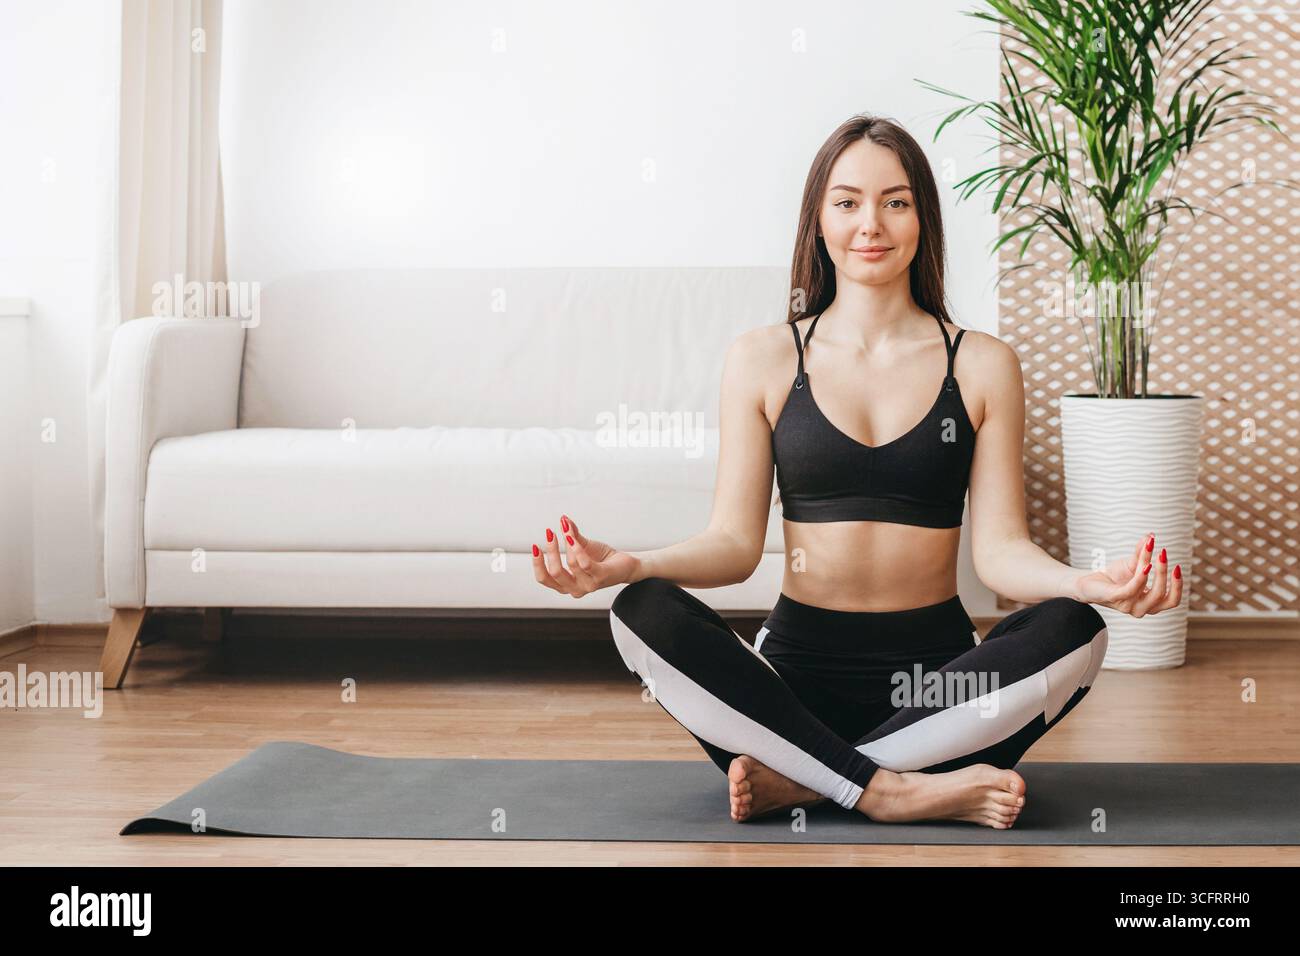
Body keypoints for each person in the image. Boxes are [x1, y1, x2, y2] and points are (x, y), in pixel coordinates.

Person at [529, 113, 1184, 826]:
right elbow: (734, 546)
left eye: (895, 202)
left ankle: (813, 779)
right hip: (787, 687)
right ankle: (891, 789)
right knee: (640, 611)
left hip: (939, 694)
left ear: (923, 219)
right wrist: (631, 564)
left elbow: (999, 554)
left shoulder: (983, 364)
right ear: (818, 219)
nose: (870, 224)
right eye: (847, 202)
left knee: (1077, 629)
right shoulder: (764, 358)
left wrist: (1082, 581)